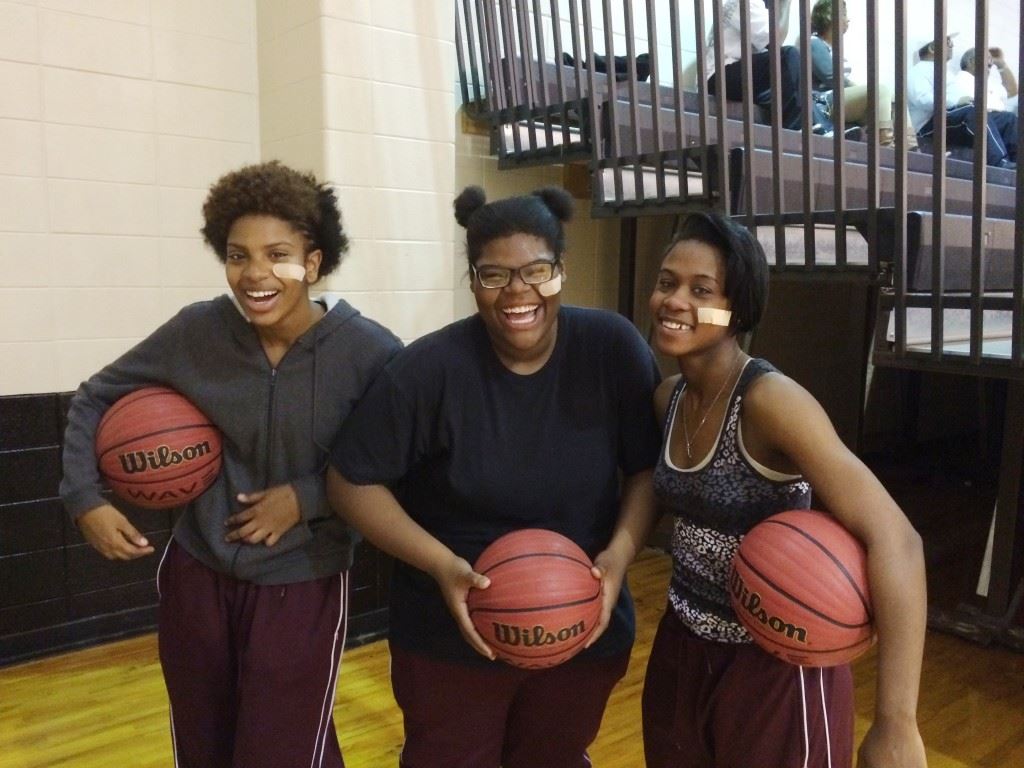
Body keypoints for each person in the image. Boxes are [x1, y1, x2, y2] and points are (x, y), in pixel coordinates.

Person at [59, 161, 402, 768]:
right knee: (204, 748)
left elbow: (399, 461)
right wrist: (85, 497)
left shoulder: (370, 353)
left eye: (278, 254)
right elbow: (96, 394)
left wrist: (307, 496)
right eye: (238, 256)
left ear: (314, 263)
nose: (256, 274)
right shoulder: (199, 331)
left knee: (281, 750)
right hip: (198, 572)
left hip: (304, 579)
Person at [326, 185, 662, 767]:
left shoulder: (613, 348)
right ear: (473, 281)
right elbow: (350, 480)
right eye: (493, 275)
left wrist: (618, 558)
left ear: (561, 270)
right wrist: (440, 565)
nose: (517, 293)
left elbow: (644, 470)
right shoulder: (427, 370)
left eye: (536, 271)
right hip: (449, 639)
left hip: (581, 630)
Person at [641, 212, 928, 768]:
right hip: (682, 645)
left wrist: (896, 723)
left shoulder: (771, 401)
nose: (674, 299)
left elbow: (898, 538)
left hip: (777, 662)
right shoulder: (668, 398)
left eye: (702, 290)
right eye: (666, 282)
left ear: (738, 311)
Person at [706, 0, 830, 132]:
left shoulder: (761, 9)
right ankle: (797, 129)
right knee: (789, 55)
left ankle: (825, 131)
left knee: (797, 89)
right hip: (719, 76)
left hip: (741, 77)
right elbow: (776, 40)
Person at [907, 34, 1017, 169]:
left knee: (1008, 119)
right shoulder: (919, 70)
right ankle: (1000, 163)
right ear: (932, 48)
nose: (952, 46)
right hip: (929, 126)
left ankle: (1016, 164)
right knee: (974, 111)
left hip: (950, 118)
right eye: (949, 43)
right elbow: (921, 98)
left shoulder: (943, 72)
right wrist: (958, 101)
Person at [809, 0, 895, 145]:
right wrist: (859, 89)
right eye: (843, 14)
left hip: (837, 99)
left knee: (895, 100)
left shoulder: (833, 50)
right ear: (829, 16)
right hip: (824, 103)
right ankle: (886, 146)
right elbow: (833, 78)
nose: (848, 19)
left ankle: (911, 149)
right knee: (881, 90)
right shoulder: (813, 43)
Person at [952, 46, 1019, 112]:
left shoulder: (987, 83)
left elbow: (1011, 92)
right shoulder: (961, 79)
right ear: (971, 61)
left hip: (998, 119)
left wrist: (1001, 64)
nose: (990, 63)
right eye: (987, 61)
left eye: (990, 65)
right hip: (982, 118)